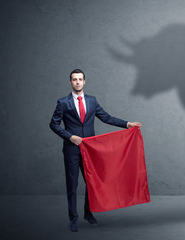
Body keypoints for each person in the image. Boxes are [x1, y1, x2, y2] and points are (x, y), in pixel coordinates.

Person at [50, 69, 141, 232]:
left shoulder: (92, 101)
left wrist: (127, 124)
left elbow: (107, 118)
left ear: (84, 81)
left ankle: (88, 213)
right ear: (70, 82)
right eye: (74, 79)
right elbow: (54, 124)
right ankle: (73, 218)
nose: (77, 82)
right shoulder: (63, 102)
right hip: (72, 149)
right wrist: (70, 137)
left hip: (90, 150)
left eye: (80, 79)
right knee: (72, 185)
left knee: (92, 183)